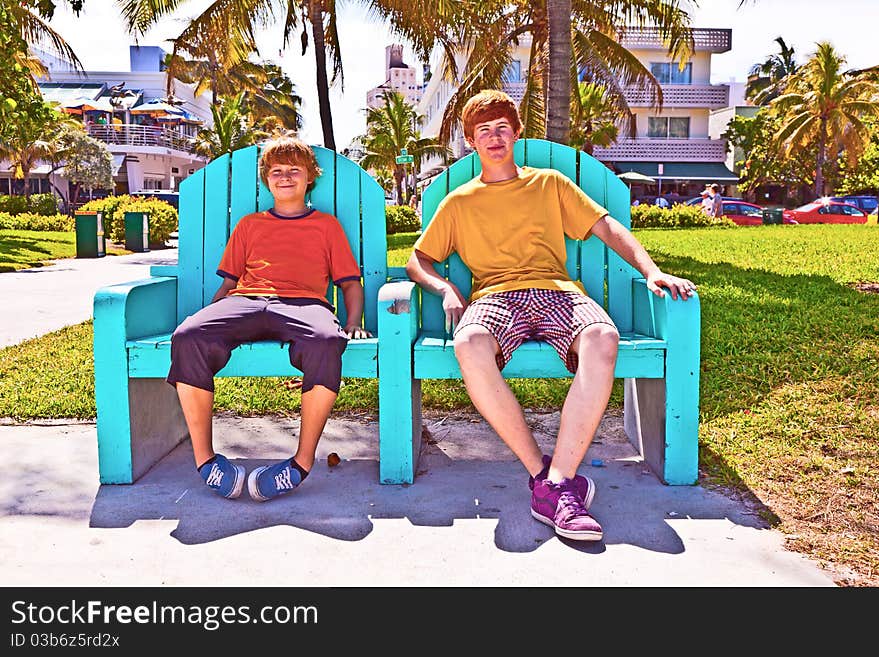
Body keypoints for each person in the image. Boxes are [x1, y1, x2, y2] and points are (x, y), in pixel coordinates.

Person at [405, 90, 697, 542]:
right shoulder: (459, 202)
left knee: (602, 336)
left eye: (502, 127)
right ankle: (544, 476)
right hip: (497, 297)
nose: (494, 137)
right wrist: (445, 289)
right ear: (471, 142)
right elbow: (416, 260)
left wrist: (652, 270)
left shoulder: (549, 183)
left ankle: (559, 482)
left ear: (517, 133)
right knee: (468, 343)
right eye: (484, 131)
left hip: (556, 291)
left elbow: (607, 227)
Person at [166, 134, 371, 501]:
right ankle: (206, 461)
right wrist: (210, 318)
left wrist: (353, 321)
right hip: (246, 300)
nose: (286, 177)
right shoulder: (250, 225)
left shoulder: (326, 226)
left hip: (304, 305)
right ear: (266, 179)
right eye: (277, 171)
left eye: (295, 170)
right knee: (188, 336)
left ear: (311, 177)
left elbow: (350, 283)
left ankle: (300, 464)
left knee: (327, 341)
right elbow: (229, 284)